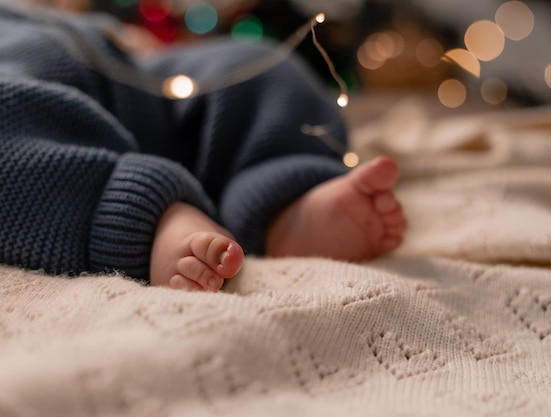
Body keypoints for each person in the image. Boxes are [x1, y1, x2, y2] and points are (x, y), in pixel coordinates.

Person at [0, 1, 406, 291]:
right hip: (29, 96)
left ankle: (286, 203)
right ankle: (147, 217)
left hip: (131, 82)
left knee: (259, 67)